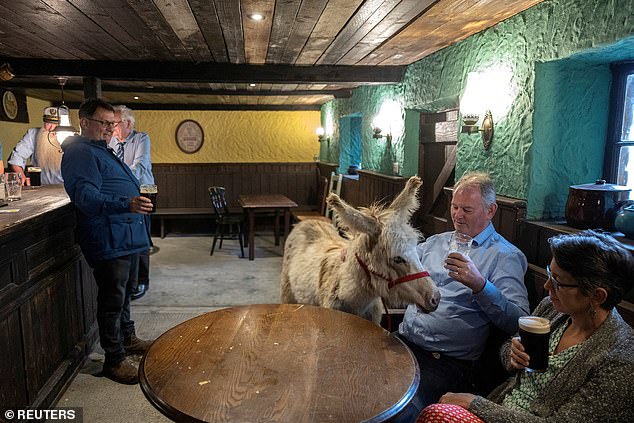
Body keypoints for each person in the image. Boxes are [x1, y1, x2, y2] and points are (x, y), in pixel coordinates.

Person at [420, 230, 634, 422]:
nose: (547, 285)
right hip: (501, 407)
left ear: (597, 296)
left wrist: (476, 404)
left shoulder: (620, 357)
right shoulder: (553, 309)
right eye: (550, 274)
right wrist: (513, 354)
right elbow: (506, 353)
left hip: (503, 413)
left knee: (437, 414)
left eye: (557, 282)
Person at [396, 171, 530, 418]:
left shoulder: (504, 255)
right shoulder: (436, 242)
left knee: (399, 409)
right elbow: (397, 263)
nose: (457, 215)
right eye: (454, 207)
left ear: (491, 210)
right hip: (403, 341)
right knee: (356, 377)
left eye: (467, 210)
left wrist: (480, 285)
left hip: (445, 362)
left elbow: (519, 321)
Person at [61, 98, 154, 385]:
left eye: (112, 124)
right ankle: (114, 359)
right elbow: (85, 198)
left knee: (124, 293)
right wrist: (125, 203)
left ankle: (127, 339)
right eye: (104, 123)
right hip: (108, 237)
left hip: (123, 236)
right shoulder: (80, 153)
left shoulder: (100, 150)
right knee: (112, 299)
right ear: (85, 122)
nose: (110, 129)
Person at [109, 105, 154, 301]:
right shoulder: (110, 141)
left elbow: (139, 166)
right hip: (121, 195)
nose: (112, 127)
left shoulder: (141, 138)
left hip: (142, 191)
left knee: (141, 237)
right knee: (125, 238)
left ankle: (142, 280)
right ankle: (127, 281)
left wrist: (117, 183)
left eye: (115, 123)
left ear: (128, 123)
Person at [8, 106, 63, 184]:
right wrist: (20, 175)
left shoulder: (69, 136)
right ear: (44, 122)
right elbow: (17, 156)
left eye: (56, 124)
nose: (52, 128)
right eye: (48, 123)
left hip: (65, 188)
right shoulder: (33, 134)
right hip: (40, 188)